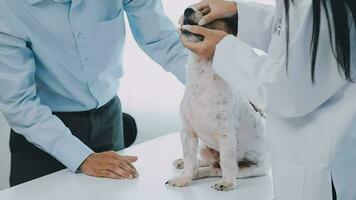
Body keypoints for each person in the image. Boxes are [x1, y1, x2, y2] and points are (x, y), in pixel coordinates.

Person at [180, 0, 356, 200]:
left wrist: (223, 50)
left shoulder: (329, 7)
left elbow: (289, 91)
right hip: (299, 159)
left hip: (324, 172)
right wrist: (240, 16)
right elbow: (296, 30)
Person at [0, 0, 188, 186]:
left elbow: (163, 41)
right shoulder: (9, 8)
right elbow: (19, 103)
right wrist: (82, 157)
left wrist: (209, 87)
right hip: (44, 135)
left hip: (109, 120)